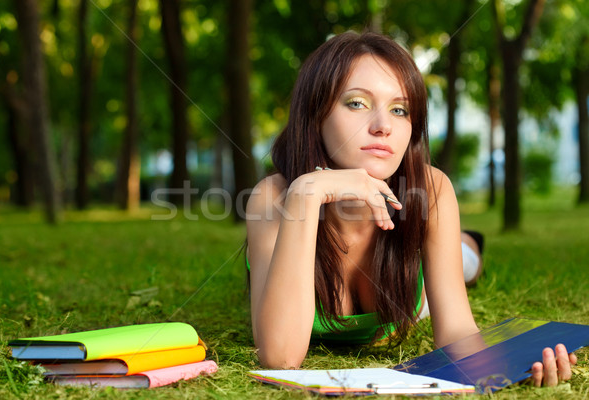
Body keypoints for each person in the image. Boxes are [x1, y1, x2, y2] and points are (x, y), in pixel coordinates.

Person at [245, 31, 576, 386]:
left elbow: (457, 331)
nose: (383, 126)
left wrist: (505, 368)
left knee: (464, 262)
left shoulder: (431, 189)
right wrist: (308, 193)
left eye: (399, 109)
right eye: (357, 103)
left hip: (416, 297)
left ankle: (467, 244)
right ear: (315, 113)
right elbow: (280, 357)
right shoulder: (274, 198)